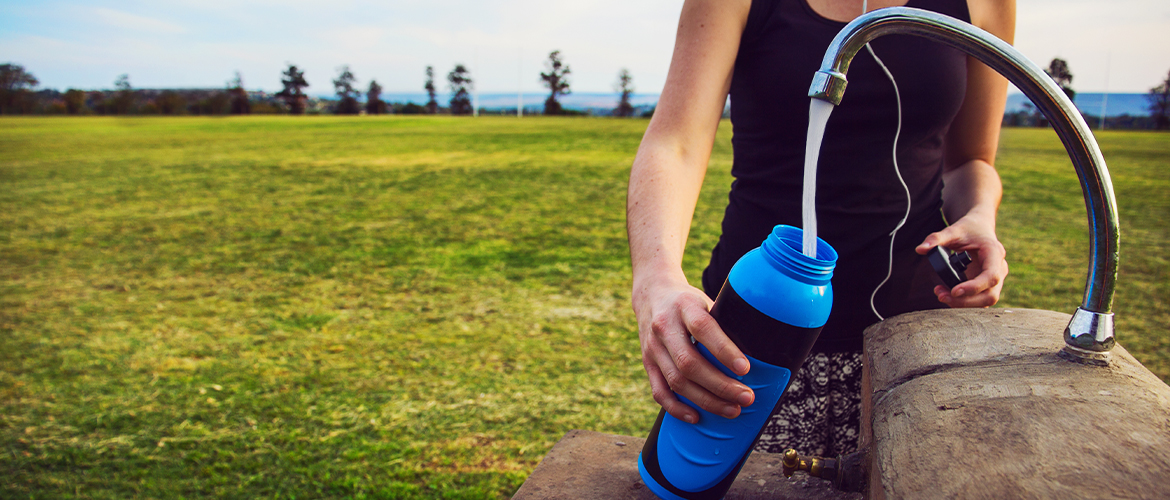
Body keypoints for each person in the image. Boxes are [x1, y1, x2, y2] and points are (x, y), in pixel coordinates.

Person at [626, 0, 1013, 456]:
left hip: (917, 334)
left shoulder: (985, 4)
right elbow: (677, 142)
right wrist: (655, 278)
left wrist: (980, 215)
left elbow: (972, 160)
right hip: (753, 334)